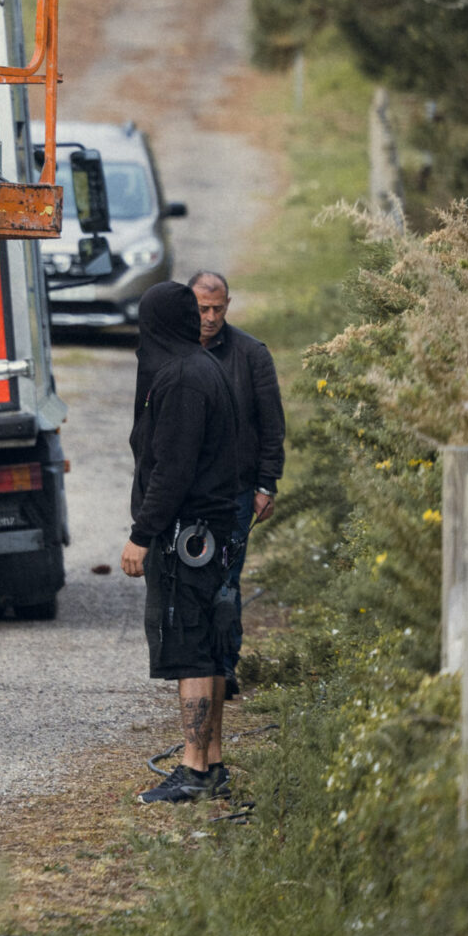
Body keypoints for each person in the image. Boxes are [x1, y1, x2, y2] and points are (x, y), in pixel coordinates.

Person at [122, 279, 245, 803]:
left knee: (192, 646)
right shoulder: (204, 368)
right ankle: (211, 762)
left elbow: (171, 471)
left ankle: (194, 771)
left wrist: (141, 535)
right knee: (211, 645)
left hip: (186, 537)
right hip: (214, 531)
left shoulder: (180, 380)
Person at [193, 270, 285, 694]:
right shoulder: (175, 351)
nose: (210, 317)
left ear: (228, 305)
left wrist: (266, 484)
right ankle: (194, 665)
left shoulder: (251, 355)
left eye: (217, 308)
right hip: (188, 493)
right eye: (202, 309)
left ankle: (224, 668)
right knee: (191, 580)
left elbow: (271, 424)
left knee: (227, 579)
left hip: (236, 491)